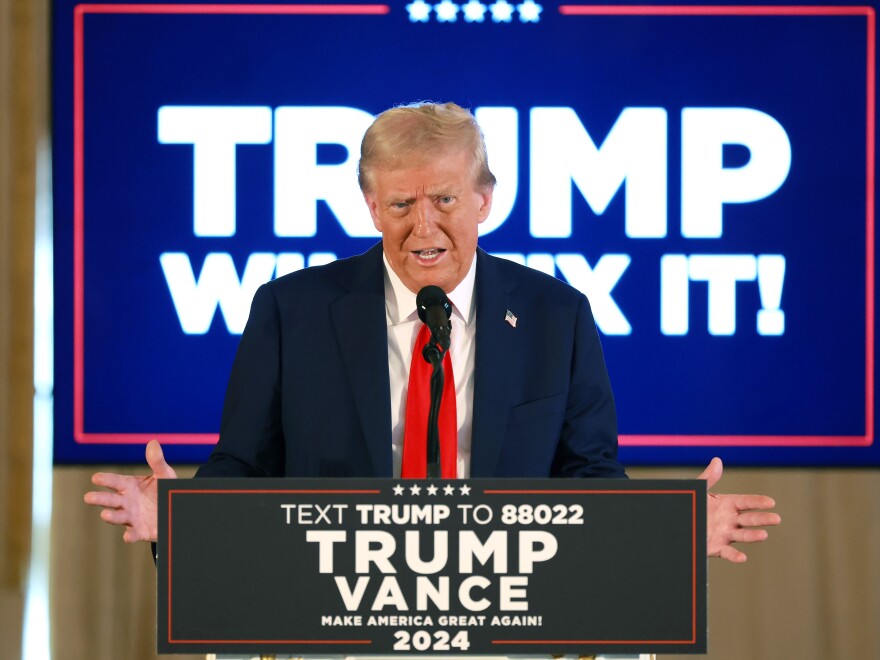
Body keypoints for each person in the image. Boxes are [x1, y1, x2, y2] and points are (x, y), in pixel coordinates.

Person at [85, 101, 779, 563]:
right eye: (400, 203)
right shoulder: (289, 311)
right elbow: (244, 472)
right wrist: (177, 522)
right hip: (336, 620)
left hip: (508, 620)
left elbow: (588, 483)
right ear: (369, 205)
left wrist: (671, 533)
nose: (423, 226)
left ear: (485, 199)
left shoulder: (555, 316)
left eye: (445, 199)